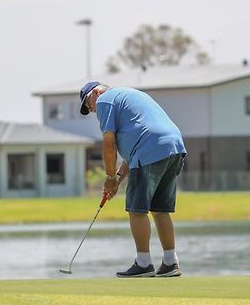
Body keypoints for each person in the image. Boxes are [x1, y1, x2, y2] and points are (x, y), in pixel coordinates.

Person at [79, 81, 187, 277]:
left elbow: (109, 144)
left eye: (89, 105)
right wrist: (116, 182)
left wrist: (110, 177)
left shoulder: (104, 101)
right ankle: (170, 262)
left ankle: (144, 263)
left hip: (150, 148)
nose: (93, 110)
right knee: (160, 209)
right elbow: (132, 154)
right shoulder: (129, 96)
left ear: (95, 93)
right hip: (174, 147)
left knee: (137, 210)